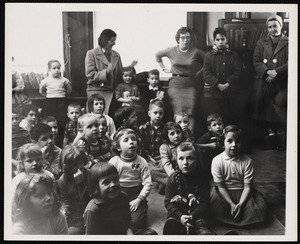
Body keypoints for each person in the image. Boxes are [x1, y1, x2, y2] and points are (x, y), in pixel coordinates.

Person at [210, 125, 267, 226]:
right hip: (224, 193)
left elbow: (247, 187)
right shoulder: (217, 160)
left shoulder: (248, 161)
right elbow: (221, 187)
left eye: (238, 141)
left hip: (243, 193)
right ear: (223, 143)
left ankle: (240, 211)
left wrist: (240, 204)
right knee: (213, 209)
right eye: (229, 141)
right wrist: (231, 204)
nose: (234, 145)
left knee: (258, 211)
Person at [84, 162, 157, 235]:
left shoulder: (123, 197)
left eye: (115, 179)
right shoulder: (92, 210)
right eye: (106, 182)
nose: (113, 184)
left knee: (152, 234)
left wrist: (130, 236)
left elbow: (127, 222)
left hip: (122, 234)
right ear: (96, 187)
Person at [155, 27, 205, 132]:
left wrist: (197, 73)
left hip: (190, 85)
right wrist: (164, 68)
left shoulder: (196, 52)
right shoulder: (171, 50)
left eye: (188, 38)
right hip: (175, 85)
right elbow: (157, 55)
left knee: (190, 113)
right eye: (183, 38)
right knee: (177, 113)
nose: (185, 40)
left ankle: (189, 138)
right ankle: (177, 138)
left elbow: (207, 63)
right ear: (178, 39)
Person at [252, 14, 288, 150]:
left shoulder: (289, 42)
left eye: (275, 26)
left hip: (282, 81)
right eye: (270, 27)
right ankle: (270, 134)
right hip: (265, 80)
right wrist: (267, 72)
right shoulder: (261, 43)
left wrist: (277, 72)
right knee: (263, 105)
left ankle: (281, 134)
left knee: (280, 105)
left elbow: (291, 62)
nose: (273, 29)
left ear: (281, 26)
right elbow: (256, 60)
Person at [163, 141, 214, 235]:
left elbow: (204, 202)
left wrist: (192, 216)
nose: (185, 162)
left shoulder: (202, 178)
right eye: (181, 158)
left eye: (190, 158)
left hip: (197, 214)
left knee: (202, 229)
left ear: (197, 160)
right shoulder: (172, 179)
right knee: (172, 226)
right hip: (178, 214)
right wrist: (180, 216)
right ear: (176, 160)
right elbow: (168, 203)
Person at [85, 29, 137, 116]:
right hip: (97, 92)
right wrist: (106, 72)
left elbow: (120, 74)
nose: (114, 43)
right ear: (105, 40)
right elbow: (90, 75)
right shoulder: (91, 54)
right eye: (112, 41)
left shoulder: (116, 55)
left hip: (113, 92)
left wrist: (130, 67)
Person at [109, 128, 152, 229]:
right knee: (112, 218)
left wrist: (139, 199)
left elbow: (148, 183)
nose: (131, 142)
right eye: (126, 140)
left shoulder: (142, 162)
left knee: (138, 222)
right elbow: (109, 181)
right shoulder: (114, 162)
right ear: (118, 147)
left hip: (136, 193)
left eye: (133, 139)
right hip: (118, 192)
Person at [203, 27, 242, 126]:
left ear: (227, 40)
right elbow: (206, 73)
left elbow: (238, 72)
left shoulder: (234, 55)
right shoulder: (208, 56)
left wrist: (228, 84)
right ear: (214, 41)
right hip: (213, 94)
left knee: (229, 119)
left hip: (230, 94)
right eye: (218, 40)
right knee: (215, 120)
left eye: (223, 39)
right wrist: (218, 84)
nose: (220, 42)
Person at [57, 145, 90, 234]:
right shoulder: (63, 180)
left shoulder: (88, 174)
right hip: (75, 216)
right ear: (67, 166)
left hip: (89, 212)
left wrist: (81, 183)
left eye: (81, 163)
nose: (79, 167)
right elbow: (65, 201)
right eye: (75, 165)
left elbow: (90, 199)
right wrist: (64, 212)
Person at [39, 59, 72, 146]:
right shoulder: (45, 81)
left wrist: (62, 96)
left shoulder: (64, 80)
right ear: (49, 70)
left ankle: (60, 143)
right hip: (49, 102)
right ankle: (48, 141)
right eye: (54, 68)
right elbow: (41, 91)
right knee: (49, 121)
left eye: (58, 68)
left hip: (61, 102)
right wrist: (49, 96)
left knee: (61, 122)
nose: (57, 70)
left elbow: (69, 90)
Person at [139, 98, 168, 190]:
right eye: (155, 113)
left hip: (162, 159)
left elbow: (167, 146)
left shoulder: (165, 129)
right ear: (149, 113)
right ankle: (167, 181)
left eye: (160, 113)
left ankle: (163, 182)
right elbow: (141, 147)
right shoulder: (143, 128)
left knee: (168, 166)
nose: (158, 116)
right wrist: (149, 158)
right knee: (149, 170)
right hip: (149, 159)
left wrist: (162, 158)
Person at [196, 113, 225, 178]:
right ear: (209, 128)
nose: (218, 127)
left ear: (223, 125)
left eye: (219, 124)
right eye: (214, 125)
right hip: (210, 159)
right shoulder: (207, 136)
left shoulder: (225, 135)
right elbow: (196, 145)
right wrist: (209, 145)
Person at [12, 107, 31, 176]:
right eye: (11, 119)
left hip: (22, 159)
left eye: (17, 118)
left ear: (20, 119)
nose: (14, 121)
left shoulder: (25, 133)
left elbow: (29, 148)